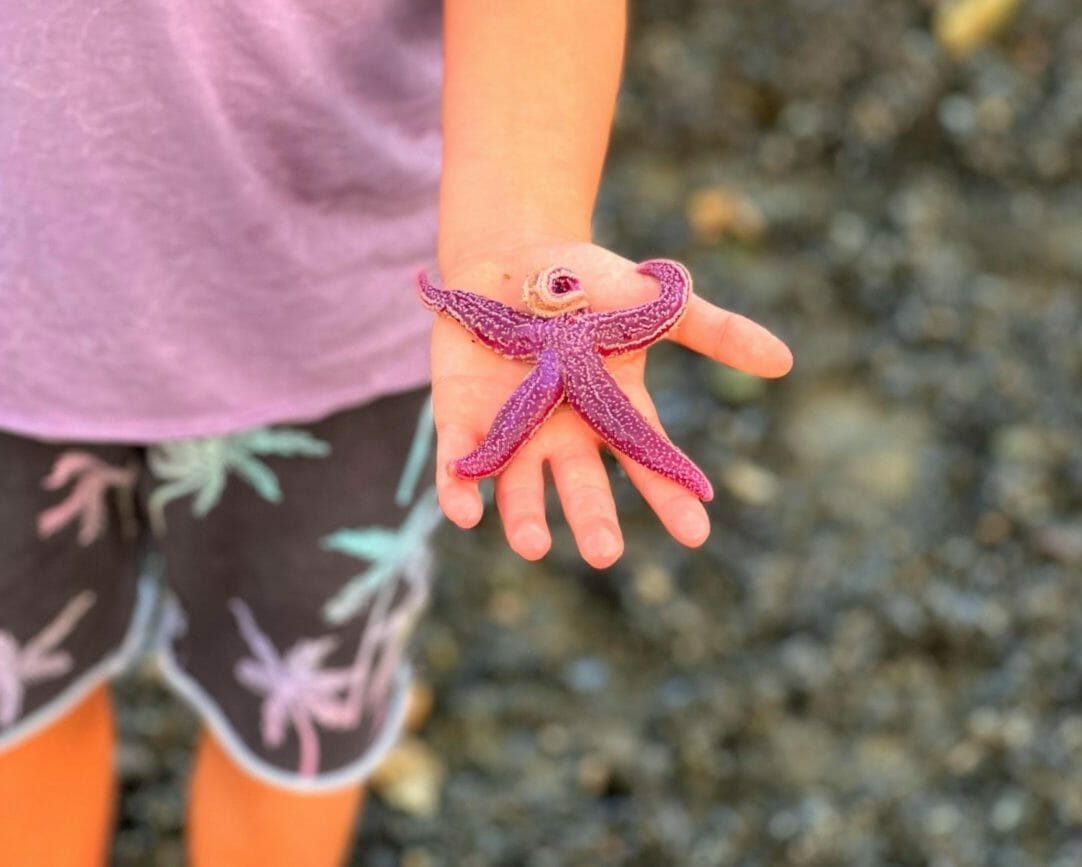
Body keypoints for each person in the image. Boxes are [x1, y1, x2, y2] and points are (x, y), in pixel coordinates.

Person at [0, 1, 793, 864]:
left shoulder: (516, 322)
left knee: (301, 707)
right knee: (18, 694)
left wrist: (518, 234)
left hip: (333, 342)